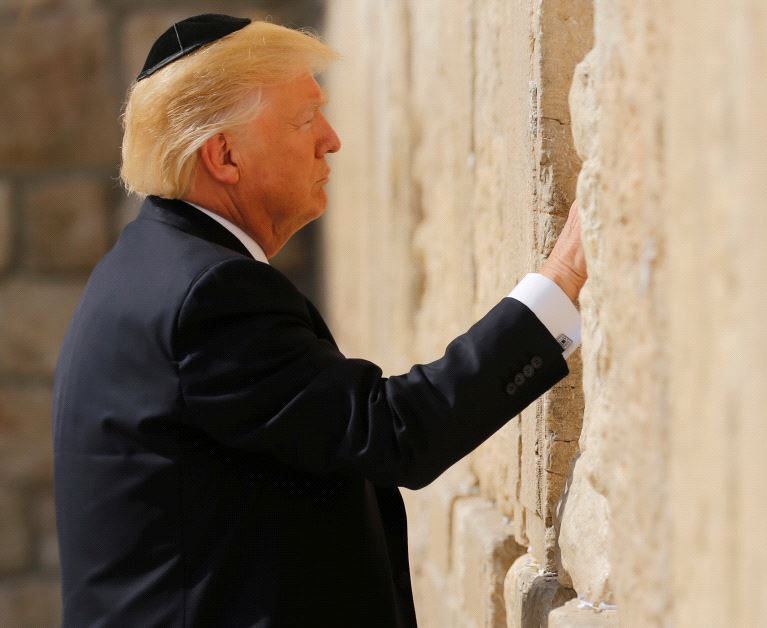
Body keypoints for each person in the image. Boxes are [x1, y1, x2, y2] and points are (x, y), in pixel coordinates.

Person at [51, 14, 587, 628]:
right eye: (305, 118)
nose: (330, 139)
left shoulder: (147, 269)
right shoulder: (207, 298)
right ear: (224, 155)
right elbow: (392, 433)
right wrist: (564, 279)